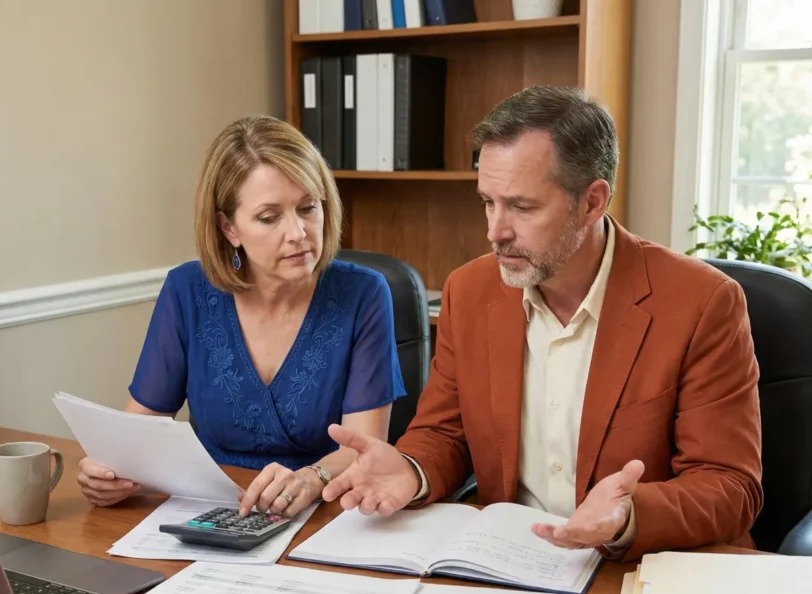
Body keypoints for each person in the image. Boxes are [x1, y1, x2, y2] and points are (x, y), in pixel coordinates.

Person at [321, 85, 764, 562]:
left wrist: (629, 516)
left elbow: (729, 485)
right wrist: (412, 469)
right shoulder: (468, 291)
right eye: (487, 202)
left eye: (522, 206)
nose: (495, 231)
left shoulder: (702, 302)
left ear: (593, 202)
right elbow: (445, 435)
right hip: (510, 561)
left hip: (642, 568)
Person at [77, 115, 406, 516]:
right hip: (210, 512)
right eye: (270, 217)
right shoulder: (187, 291)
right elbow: (138, 433)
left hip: (324, 513)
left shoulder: (364, 294)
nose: (299, 233)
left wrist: (310, 478)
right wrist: (107, 473)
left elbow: (363, 449)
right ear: (228, 227)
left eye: (308, 208)